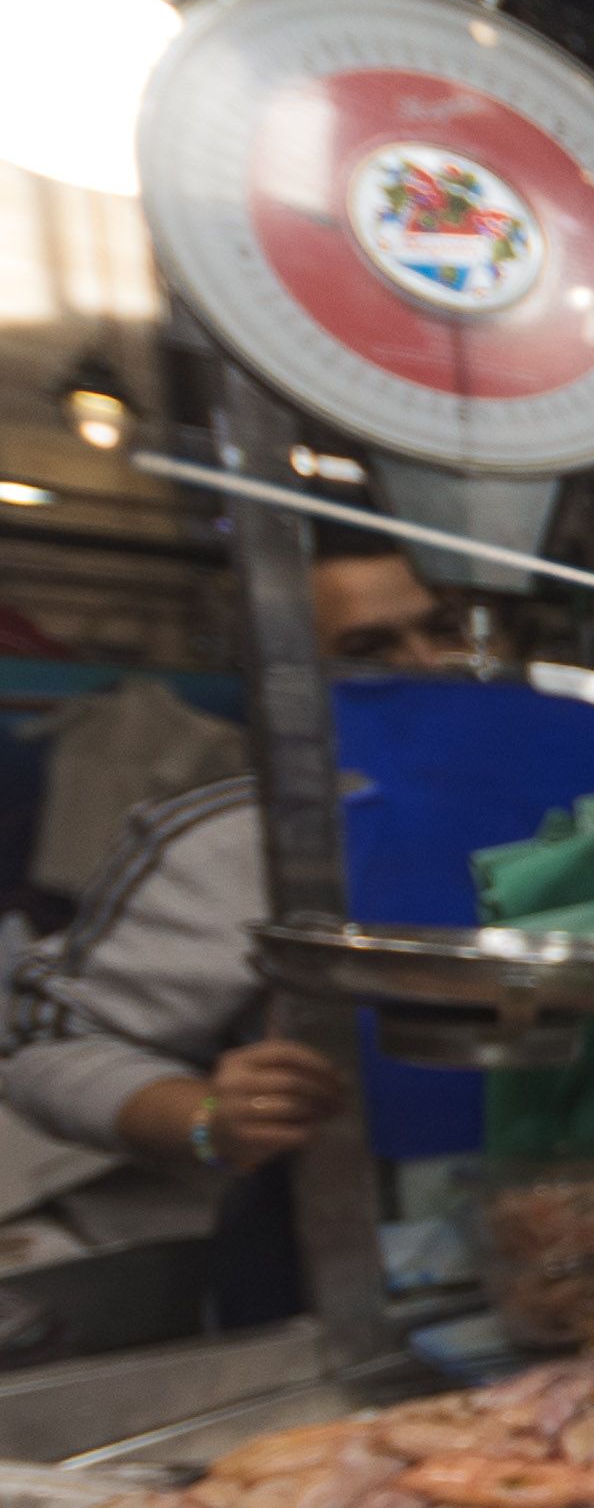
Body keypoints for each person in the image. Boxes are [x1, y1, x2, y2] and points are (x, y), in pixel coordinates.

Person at [1, 532, 462, 1320]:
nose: (426, 663)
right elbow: (47, 1044)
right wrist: (207, 1118)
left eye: (443, 629)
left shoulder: (592, 805)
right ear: (290, 679)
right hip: (346, 1286)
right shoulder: (238, 840)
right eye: (370, 646)